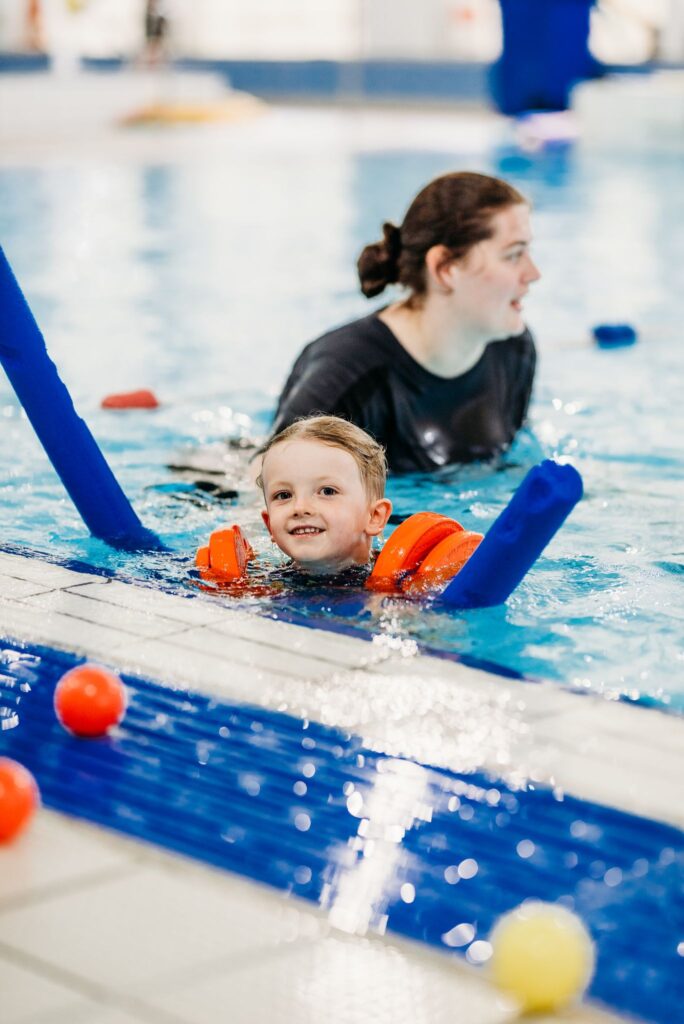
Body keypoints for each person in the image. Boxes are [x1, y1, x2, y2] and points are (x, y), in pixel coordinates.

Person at [271, 171, 541, 473]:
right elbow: (267, 489)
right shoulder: (348, 376)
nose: (533, 273)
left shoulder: (513, 350)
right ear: (445, 268)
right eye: (513, 255)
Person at [256, 415, 392, 576]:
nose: (300, 508)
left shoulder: (403, 582)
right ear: (269, 524)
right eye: (284, 495)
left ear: (374, 516)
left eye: (327, 491)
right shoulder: (258, 581)